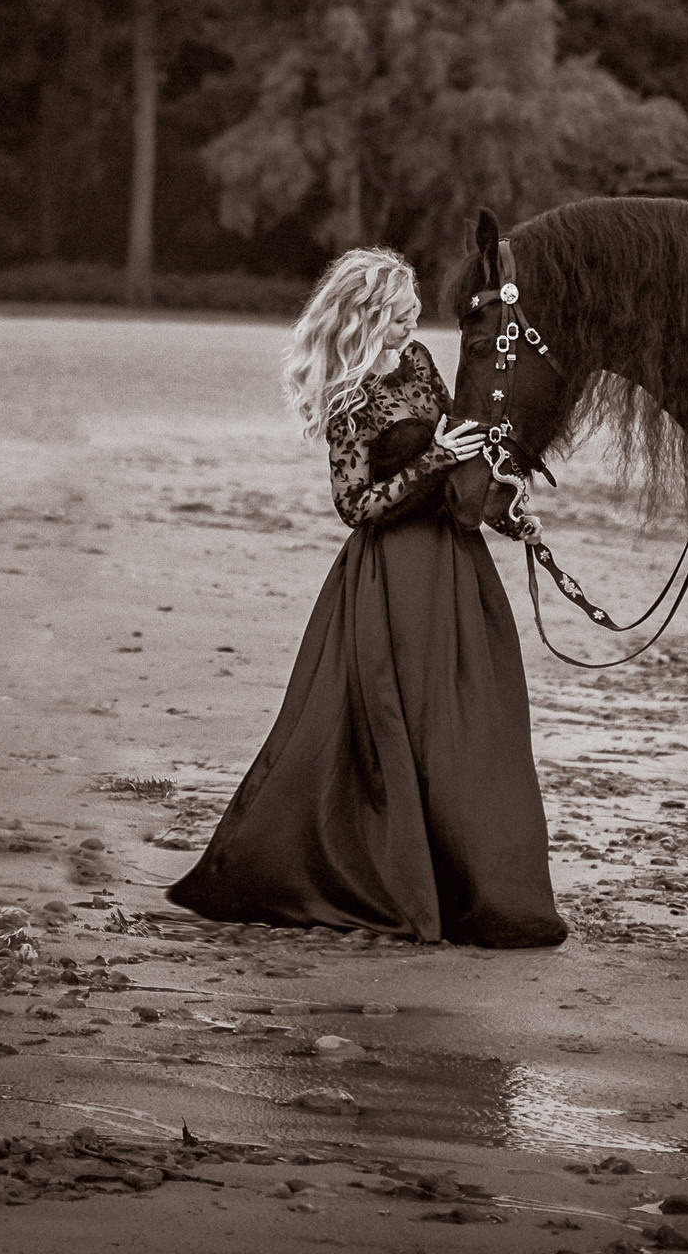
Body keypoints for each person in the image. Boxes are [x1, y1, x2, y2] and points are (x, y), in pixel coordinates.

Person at [166, 248, 567, 948]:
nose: (412, 323)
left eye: (414, 312)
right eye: (401, 312)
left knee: (467, 732)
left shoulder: (417, 363)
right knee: (390, 732)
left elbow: (461, 457)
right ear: (368, 315)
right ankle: (386, 884)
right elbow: (356, 505)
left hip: (455, 570)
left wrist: (507, 510)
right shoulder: (350, 400)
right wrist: (434, 457)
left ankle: (477, 892)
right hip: (387, 585)